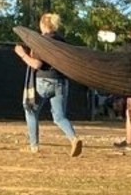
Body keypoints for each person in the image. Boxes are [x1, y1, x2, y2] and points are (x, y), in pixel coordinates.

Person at [14, 13, 83, 157]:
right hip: (61, 82)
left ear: (42, 25)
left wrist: (22, 54)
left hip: (44, 81)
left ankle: (34, 146)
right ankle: (74, 138)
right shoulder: (62, 41)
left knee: (31, 110)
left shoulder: (41, 42)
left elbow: (36, 64)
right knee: (59, 117)